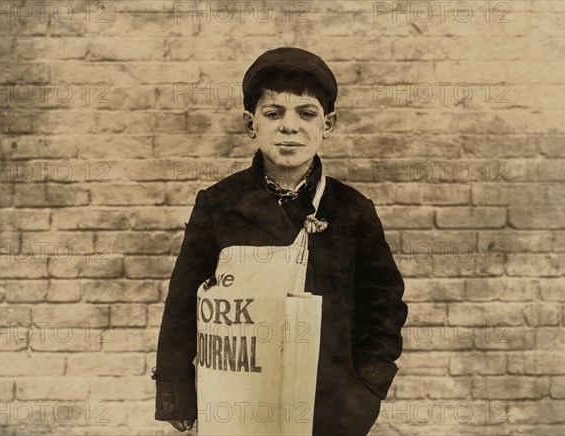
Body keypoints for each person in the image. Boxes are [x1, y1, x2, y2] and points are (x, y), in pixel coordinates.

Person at [152, 47, 408, 435]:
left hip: (329, 401)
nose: (290, 127)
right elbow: (182, 303)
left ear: (329, 124)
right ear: (250, 124)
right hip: (239, 399)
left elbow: (383, 303)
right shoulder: (218, 204)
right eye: (274, 113)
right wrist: (177, 389)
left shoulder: (351, 210)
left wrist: (367, 387)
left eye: (306, 113)